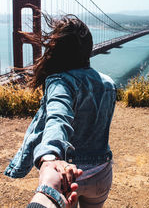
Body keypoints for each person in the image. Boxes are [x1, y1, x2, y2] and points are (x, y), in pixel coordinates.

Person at [5, 14, 116, 208]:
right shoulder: (109, 83)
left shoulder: (60, 81)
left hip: (68, 175)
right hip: (101, 173)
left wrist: (50, 157)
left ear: (58, 50)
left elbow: (58, 117)